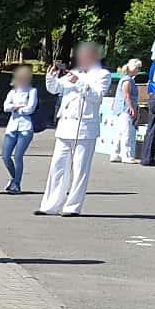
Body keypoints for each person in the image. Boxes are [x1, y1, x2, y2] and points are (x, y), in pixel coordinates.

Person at [35, 42, 111, 218]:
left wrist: (79, 83)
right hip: (66, 126)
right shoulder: (74, 73)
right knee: (58, 166)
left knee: (79, 168)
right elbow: (55, 88)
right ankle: (50, 205)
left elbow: (96, 96)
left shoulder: (102, 75)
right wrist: (51, 78)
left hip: (85, 127)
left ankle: (73, 206)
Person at [0, 64, 39, 194]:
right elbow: (6, 107)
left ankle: (17, 184)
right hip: (12, 127)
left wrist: (16, 108)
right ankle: (13, 177)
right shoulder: (12, 92)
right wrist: (18, 107)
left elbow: (30, 109)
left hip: (25, 128)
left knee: (18, 156)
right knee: (5, 156)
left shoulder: (32, 91)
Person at [108, 59, 143, 164]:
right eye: (138, 68)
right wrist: (132, 107)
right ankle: (126, 155)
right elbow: (126, 95)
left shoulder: (125, 79)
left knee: (120, 133)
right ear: (133, 68)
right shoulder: (127, 80)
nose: (139, 70)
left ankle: (115, 153)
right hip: (125, 109)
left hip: (122, 109)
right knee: (126, 133)